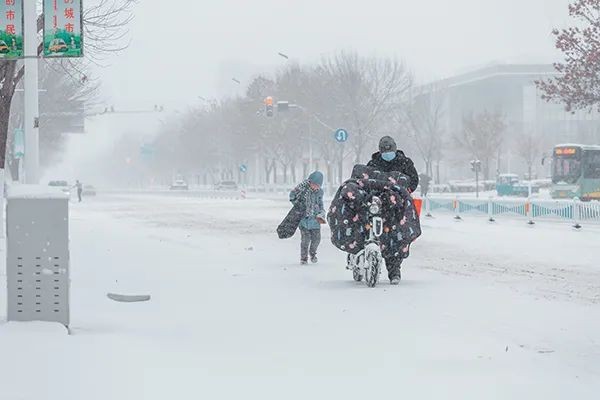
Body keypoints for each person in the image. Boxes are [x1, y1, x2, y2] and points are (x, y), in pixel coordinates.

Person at [367, 136, 419, 284]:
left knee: (395, 238)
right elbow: (365, 179)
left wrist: (407, 189)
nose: (387, 153)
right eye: (384, 151)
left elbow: (413, 179)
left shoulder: (405, 163)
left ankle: (394, 270)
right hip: (377, 203)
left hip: (397, 206)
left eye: (390, 150)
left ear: (395, 149)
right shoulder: (373, 163)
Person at [289, 171, 325, 265]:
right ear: (310, 182)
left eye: (317, 185)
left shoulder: (320, 192)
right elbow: (292, 196)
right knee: (305, 240)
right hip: (304, 220)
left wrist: (321, 213)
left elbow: (321, 204)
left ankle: (312, 254)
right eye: (314, 184)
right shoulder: (302, 189)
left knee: (316, 239)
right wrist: (298, 205)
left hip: (315, 220)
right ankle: (303, 258)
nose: (315, 187)